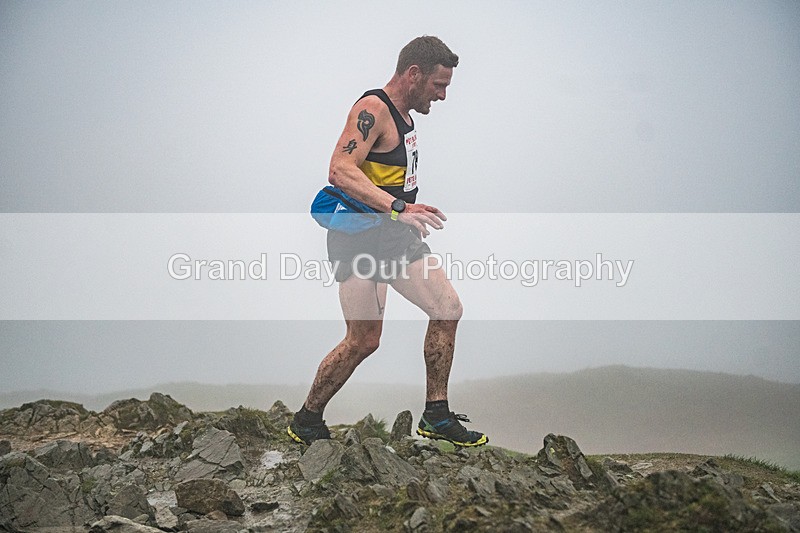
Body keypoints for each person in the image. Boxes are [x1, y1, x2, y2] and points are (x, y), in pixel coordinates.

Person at [288, 36, 487, 448]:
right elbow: (340, 169)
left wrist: (406, 211)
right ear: (413, 74)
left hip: (397, 236)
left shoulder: (406, 116)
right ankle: (307, 419)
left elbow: (391, 176)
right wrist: (399, 207)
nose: (443, 95)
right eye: (439, 85)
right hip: (360, 240)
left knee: (447, 309)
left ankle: (436, 414)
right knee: (363, 341)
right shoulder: (373, 109)